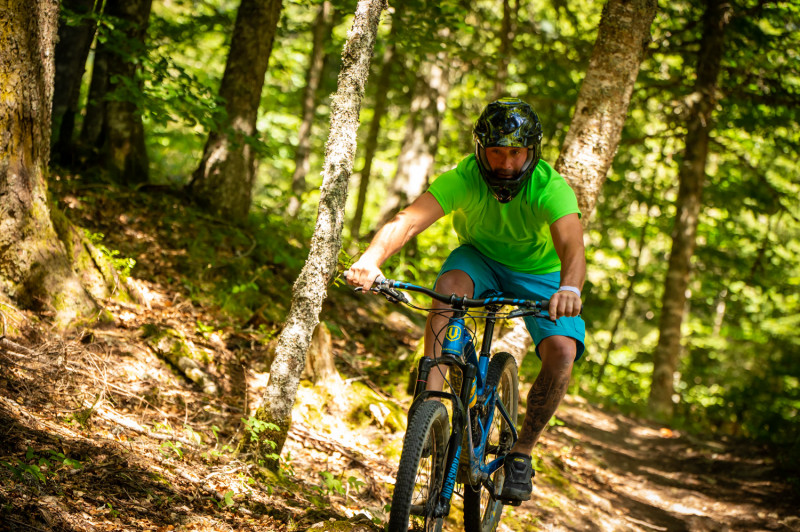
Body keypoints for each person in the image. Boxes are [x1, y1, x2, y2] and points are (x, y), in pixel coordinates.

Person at [344, 97, 585, 503]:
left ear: (532, 152)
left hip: (541, 273)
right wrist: (371, 260)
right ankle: (430, 405)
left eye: (516, 152)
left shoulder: (549, 187)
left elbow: (573, 247)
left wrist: (570, 289)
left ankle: (522, 453)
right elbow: (408, 220)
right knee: (447, 290)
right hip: (480, 258)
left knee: (562, 353)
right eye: (496, 151)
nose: (506, 163)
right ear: (480, 149)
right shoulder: (464, 177)